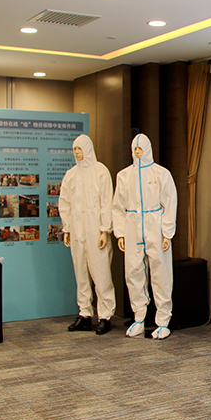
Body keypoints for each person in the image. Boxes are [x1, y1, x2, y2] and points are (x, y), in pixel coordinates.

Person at [112, 134, 178, 339]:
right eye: (135, 148)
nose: (138, 152)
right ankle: (139, 318)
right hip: (132, 226)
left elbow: (170, 203)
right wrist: (120, 233)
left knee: (161, 273)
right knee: (133, 272)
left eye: (141, 148)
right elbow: (118, 206)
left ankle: (163, 321)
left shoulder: (161, 173)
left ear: (148, 149)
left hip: (154, 225)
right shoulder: (124, 175)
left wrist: (167, 232)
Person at [60, 134, 116, 335]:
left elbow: (107, 202)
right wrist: (67, 229)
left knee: (100, 272)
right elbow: (65, 202)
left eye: (80, 149)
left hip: (95, 228)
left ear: (88, 149)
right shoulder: (71, 175)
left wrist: (105, 230)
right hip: (77, 229)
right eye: (74, 149)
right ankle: (84, 313)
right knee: (80, 272)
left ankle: (105, 315)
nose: (76, 153)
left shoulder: (100, 171)